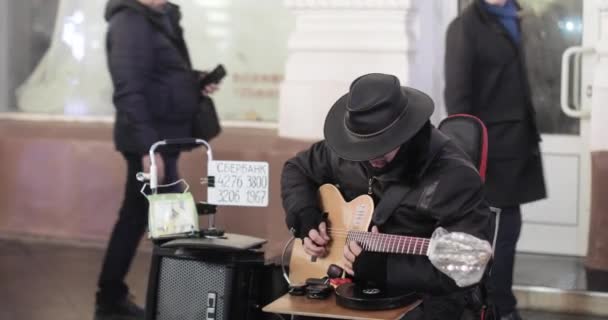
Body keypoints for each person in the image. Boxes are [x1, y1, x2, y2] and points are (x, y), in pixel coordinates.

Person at [281, 73, 493, 319]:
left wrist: (385, 268)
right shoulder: (347, 153)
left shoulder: (454, 176)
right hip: (353, 287)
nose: (373, 156)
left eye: (383, 145)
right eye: (365, 147)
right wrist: (305, 214)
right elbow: (296, 169)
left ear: (407, 131)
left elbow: (470, 266)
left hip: (426, 296)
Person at [96, 0, 219, 319]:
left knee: (146, 214)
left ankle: (120, 296)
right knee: (164, 217)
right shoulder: (129, 23)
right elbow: (129, 89)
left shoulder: (158, 17)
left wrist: (194, 81)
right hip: (150, 142)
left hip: (164, 138)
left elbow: (160, 74)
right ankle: (156, 300)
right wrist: (149, 149)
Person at [444, 1, 547, 319]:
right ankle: (498, 308)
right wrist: (469, 158)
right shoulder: (466, 26)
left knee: (509, 227)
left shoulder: (519, 17)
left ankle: (498, 304)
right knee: (498, 233)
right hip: (491, 149)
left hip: (518, 143)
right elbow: (459, 99)